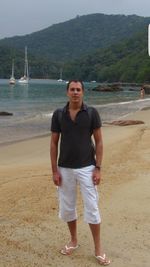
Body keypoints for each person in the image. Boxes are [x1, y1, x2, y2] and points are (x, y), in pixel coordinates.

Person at [50, 80, 110, 265]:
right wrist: (54, 171)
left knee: (92, 207)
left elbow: (99, 142)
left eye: (78, 89)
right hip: (65, 168)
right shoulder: (59, 114)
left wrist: (98, 168)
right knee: (68, 208)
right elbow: (53, 143)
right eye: (72, 89)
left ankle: (98, 249)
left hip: (87, 168)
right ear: (67, 92)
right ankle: (74, 241)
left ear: (83, 92)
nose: (75, 92)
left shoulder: (91, 113)